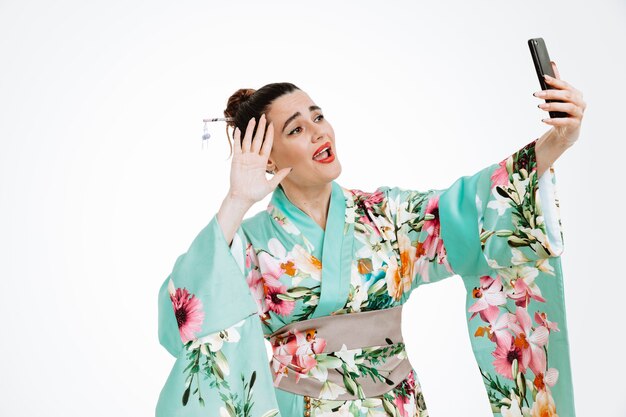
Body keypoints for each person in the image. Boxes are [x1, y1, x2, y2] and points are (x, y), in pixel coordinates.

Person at [157, 67, 585, 416]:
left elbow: (472, 209)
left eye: (318, 116)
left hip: (395, 406)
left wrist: (556, 141)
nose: (318, 131)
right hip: (301, 408)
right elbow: (187, 323)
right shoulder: (250, 242)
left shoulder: (388, 215)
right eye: (296, 129)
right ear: (268, 157)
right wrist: (236, 200)